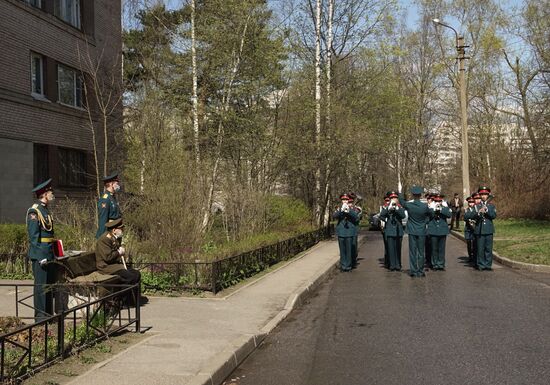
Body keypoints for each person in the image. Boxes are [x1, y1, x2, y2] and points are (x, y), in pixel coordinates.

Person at [26, 178, 57, 321]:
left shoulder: (45, 209)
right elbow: (34, 237)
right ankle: (40, 317)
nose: (52, 194)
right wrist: (40, 256)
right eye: (50, 191)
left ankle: (49, 315)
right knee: (41, 286)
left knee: (49, 285)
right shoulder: (34, 211)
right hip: (41, 254)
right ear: (44, 194)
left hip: (49, 252)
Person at [95, 218, 140, 285]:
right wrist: (119, 252)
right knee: (130, 277)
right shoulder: (104, 239)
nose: (123, 231)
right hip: (106, 267)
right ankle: (122, 295)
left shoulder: (114, 237)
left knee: (136, 274)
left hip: (114, 265)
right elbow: (108, 257)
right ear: (114, 230)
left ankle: (132, 295)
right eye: (121, 229)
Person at [399, 186, 430, 277]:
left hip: (412, 231)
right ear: (420, 195)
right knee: (421, 252)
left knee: (412, 252)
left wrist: (400, 192)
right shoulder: (424, 206)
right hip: (421, 231)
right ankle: (420, 271)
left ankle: (413, 271)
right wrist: (425, 221)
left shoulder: (409, 205)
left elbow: (401, 201)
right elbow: (431, 214)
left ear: (413, 195)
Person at [333, 194, 360, 272]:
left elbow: (356, 217)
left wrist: (349, 211)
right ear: (341, 201)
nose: (345, 201)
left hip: (349, 232)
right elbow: (334, 216)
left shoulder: (352, 209)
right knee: (342, 250)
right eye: (343, 200)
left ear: (348, 201)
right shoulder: (339, 208)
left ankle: (348, 266)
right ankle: (343, 265)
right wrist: (341, 210)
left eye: (346, 200)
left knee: (349, 250)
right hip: (341, 231)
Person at [380, 191, 405, 271]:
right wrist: (388, 208)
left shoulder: (400, 206)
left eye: (395, 198)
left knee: (398, 248)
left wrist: (397, 209)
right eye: (392, 198)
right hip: (390, 230)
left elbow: (403, 216)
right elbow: (382, 215)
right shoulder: (387, 206)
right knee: (390, 249)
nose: (393, 199)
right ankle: (392, 265)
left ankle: (398, 265)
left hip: (398, 230)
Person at [473, 186, 497, 270]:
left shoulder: (491, 205)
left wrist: (487, 211)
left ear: (488, 195)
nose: (483, 196)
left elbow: (494, 216)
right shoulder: (476, 206)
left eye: (485, 194)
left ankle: (488, 265)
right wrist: (479, 213)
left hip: (489, 229)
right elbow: (473, 216)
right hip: (479, 229)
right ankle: (481, 265)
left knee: (488, 249)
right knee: (480, 249)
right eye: (482, 194)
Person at [427, 193, 452, 270]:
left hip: (442, 230)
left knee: (441, 248)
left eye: (439, 201)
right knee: (434, 248)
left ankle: (441, 264)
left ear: (442, 201)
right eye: (436, 201)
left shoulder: (445, 208)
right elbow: (428, 215)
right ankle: (434, 264)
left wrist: (441, 209)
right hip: (433, 230)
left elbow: (449, 215)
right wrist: (434, 209)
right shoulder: (431, 207)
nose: (438, 203)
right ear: (434, 201)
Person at [96, 173, 122, 239]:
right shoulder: (105, 199)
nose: (118, 185)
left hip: (116, 232)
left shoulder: (112, 197)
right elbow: (103, 219)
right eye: (116, 183)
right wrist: (102, 237)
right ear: (111, 184)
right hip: (109, 233)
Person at [348, 192, 362, 269]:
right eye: (349, 201)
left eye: (352, 201)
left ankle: (353, 261)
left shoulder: (357, 209)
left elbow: (357, 218)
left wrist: (352, 209)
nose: (350, 203)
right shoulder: (344, 207)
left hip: (353, 230)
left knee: (353, 246)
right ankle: (348, 261)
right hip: (346, 230)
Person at [463, 195, 477, 266]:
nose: (471, 204)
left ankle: (474, 256)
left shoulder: (476, 209)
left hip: (474, 228)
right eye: (469, 202)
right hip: (468, 229)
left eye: (472, 202)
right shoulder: (466, 209)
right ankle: (470, 257)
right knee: (468, 243)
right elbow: (465, 217)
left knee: (474, 243)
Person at [424, 193, 434, 270]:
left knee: (432, 246)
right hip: (426, 228)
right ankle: (428, 260)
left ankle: (432, 261)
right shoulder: (425, 206)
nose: (428, 200)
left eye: (429, 199)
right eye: (427, 199)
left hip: (433, 228)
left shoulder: (434, 207)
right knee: (427, 245)